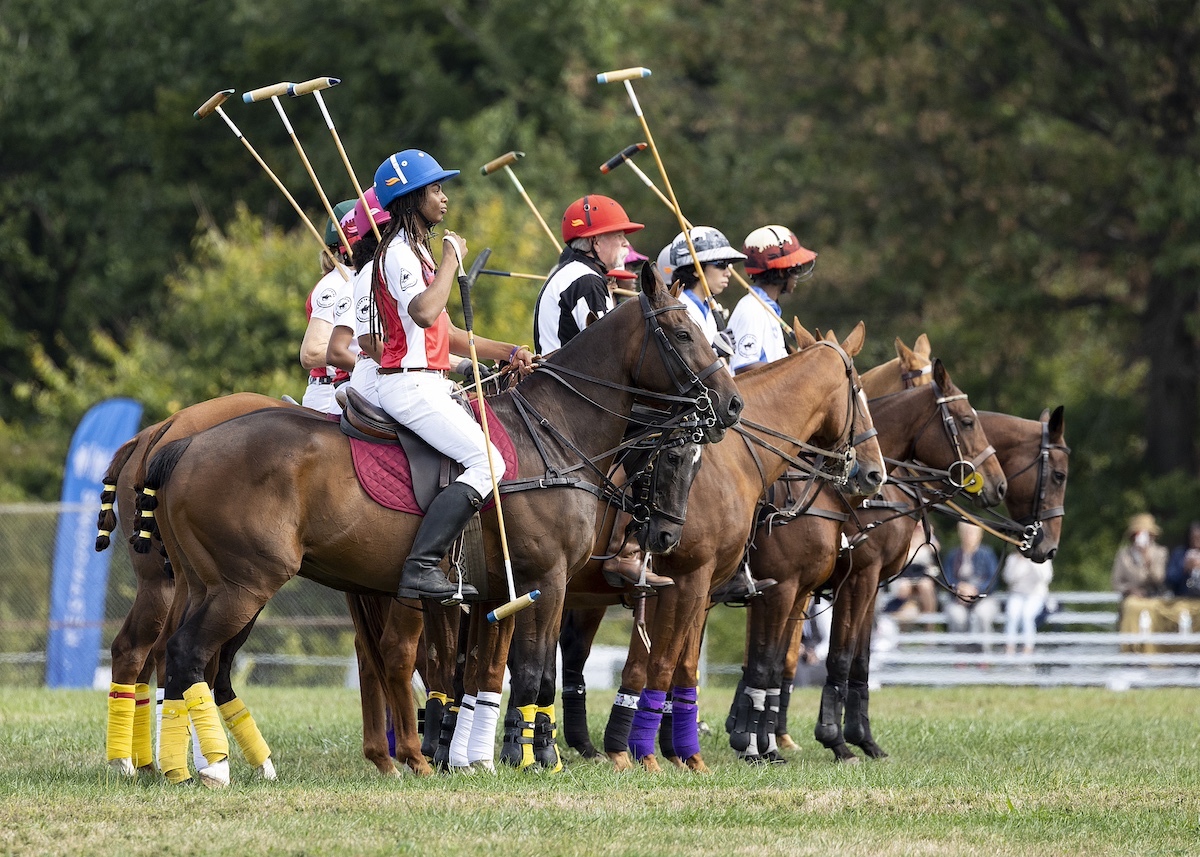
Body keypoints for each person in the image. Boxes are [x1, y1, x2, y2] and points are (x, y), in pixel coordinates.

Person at [370, 149, 534, 601]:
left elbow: (449, 333)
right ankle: (420, 567)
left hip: (430, 379)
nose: (444, 199)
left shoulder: (418, 253)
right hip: (408, 383)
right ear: (411, 196)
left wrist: (511, 350)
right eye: (436, 190)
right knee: (490, 462)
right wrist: (449, 261)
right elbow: (425, 312)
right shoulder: (401, 254)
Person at [533, 195, 643, 355]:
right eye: (618, 235)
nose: (625, 243)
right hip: (566, 379)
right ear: (595, 241)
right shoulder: (586, 281)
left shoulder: (577, 273)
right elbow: (608, 352)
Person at [726, 226, 816, 373]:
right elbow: (743, 368)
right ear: (781, 272)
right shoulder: (752, 310)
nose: (797, 277)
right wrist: (796, 370)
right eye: (795, 270)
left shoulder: (768, 307)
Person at [300, 200, 357, 414]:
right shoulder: (334, 285)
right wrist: (367, 358)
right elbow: (311, 353)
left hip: (350, 385)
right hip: (329, 393)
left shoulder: (356, 278)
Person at [667, 226, 744, 357]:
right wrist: (714, 352)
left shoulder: (707, 307)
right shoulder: (679, 310)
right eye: (721, 265)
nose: (728, 273)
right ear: (696, 269)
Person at [942, 522, 1000, 651]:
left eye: (972, 533)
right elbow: (947, 579)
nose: (969, 536)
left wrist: (976, 591)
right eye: (966, 532)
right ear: (961, 534)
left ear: (980, 535)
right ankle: (960, 654)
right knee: (957, 616)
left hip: (984, 597)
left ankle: (984, 654)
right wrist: (959, 590)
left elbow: (993, 580)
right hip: (958, 598)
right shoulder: (953, 555)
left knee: (982, 615)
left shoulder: (987, 554)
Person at [1001, 552, 1053, 655]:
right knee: (1012, 615)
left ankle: (1027, 650)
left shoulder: (1043, 557)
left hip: (1036, 595)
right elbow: (1009, 578)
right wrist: (1019, 563)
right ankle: (1009, 650)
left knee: (1027, 615)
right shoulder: (1013, 558)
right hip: (1016, 594)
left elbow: (1045, 578)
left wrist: (1034, 561)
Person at [1111, 512, 1168, 600]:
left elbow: (1159, 579)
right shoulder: (1124, 555)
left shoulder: (1160, 552)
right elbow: (1116, 582)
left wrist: (1146, 557)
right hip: (1131, 600)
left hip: (1154, 598)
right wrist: (1129, 589)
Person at [1166, 520, 1200, 598]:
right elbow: (1170, 579)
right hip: (1183, 597)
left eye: (1199, 538)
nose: (1196, 541)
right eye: (1194, 538)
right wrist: (1185, 568)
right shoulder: (1179, 554)